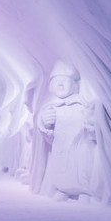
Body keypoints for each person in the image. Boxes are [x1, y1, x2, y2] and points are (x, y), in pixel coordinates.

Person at [37, 60, 96, 200]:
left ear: (75, 84)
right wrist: (45, 124)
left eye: (64, 80)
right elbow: (46, 135)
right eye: (56, 81)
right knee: (61, 170)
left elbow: (94, 127)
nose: (60, 84)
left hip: (80, 149)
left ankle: (84, 192)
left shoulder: (82, 104)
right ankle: (63, 190)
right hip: (60, 149)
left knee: (80, 169)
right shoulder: (50, 107)